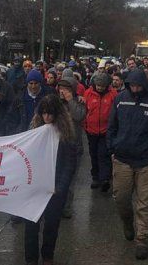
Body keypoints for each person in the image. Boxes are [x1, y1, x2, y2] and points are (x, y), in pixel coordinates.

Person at [107, 70, 148, 260]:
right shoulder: (120, 99)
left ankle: (142, 238)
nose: (135, 88)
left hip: (147, 161)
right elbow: (112, 126)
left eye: (138, 85)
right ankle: (128, 222)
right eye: (132, 85)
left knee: (145, 202)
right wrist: (112, 147)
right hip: (122, 158)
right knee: (121, 198)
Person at [23, 95, 78, 265]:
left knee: (51, 225)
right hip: (35, 186)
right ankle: (31, 259)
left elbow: (70, 163)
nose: (46, 117)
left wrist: (61, 187)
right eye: (44, 113)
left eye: (50, 113)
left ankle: (48, 256)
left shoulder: (65, 134)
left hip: (55, 188)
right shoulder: (33, 130)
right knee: (31, 224)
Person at [83, 72, 117, 192]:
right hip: (91, 131)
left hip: (105, 131)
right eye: (98, 85)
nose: (100, 88)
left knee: (104, 154)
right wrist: (85, 125)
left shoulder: (113, 95)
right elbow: (84, 110)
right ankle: (95, 177)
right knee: (94, 154)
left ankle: (105, 179)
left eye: (102, 86)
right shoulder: (88, 94)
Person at [57, 78, 86, 218]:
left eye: (66, 89)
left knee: (70, 179)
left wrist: (70, 100)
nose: (62, 92)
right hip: (57, 146)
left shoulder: (79, 102)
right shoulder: (55, 101)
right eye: (60, 88)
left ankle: (66, 206)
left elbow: (79, 116)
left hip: (74, 146)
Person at [8, 69, 55, 135]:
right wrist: (16, 132)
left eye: (36, 83)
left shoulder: (49, 95)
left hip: (43, 134)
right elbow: (12, 118)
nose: (33, 86)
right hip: (24, 134)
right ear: (27, 83)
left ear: (40, 83)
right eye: (31, 83)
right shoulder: (20, 98)